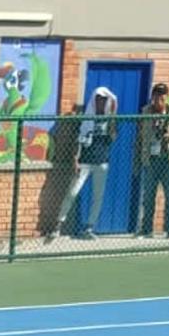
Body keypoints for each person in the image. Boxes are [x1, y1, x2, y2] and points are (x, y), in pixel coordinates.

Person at [47, 86, 118, 241]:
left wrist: (113, 115)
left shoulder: (110, 119)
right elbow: (78, 140)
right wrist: (75, 159)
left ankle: (89, 227)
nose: (101, 102)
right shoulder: (86, 118)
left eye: (104, 100)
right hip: (85, 161)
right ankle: (58, 225)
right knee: (72, 192)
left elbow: (113, 137)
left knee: (97, 196)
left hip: (102, 162)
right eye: (98, 99)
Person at [137, 83, 169, 238]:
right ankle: (147, 229)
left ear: (167, 96)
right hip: (151, 158)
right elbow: (140, 135)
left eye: (163, 95)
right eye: (157, 95)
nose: (160, 98)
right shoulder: (146, 111)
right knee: (148, 195)